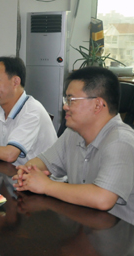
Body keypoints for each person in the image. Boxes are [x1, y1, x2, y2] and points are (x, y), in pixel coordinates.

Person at [14, 66, 134, 214]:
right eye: (66, 99)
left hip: (117, 227)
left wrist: (46, 186)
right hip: (82, 220)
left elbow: (103, 199)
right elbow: (42, 162)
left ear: (97, 105)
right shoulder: (73, 133)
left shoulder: (121, 142)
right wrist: (28, 172)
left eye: (71, 100)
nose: (65, 106)